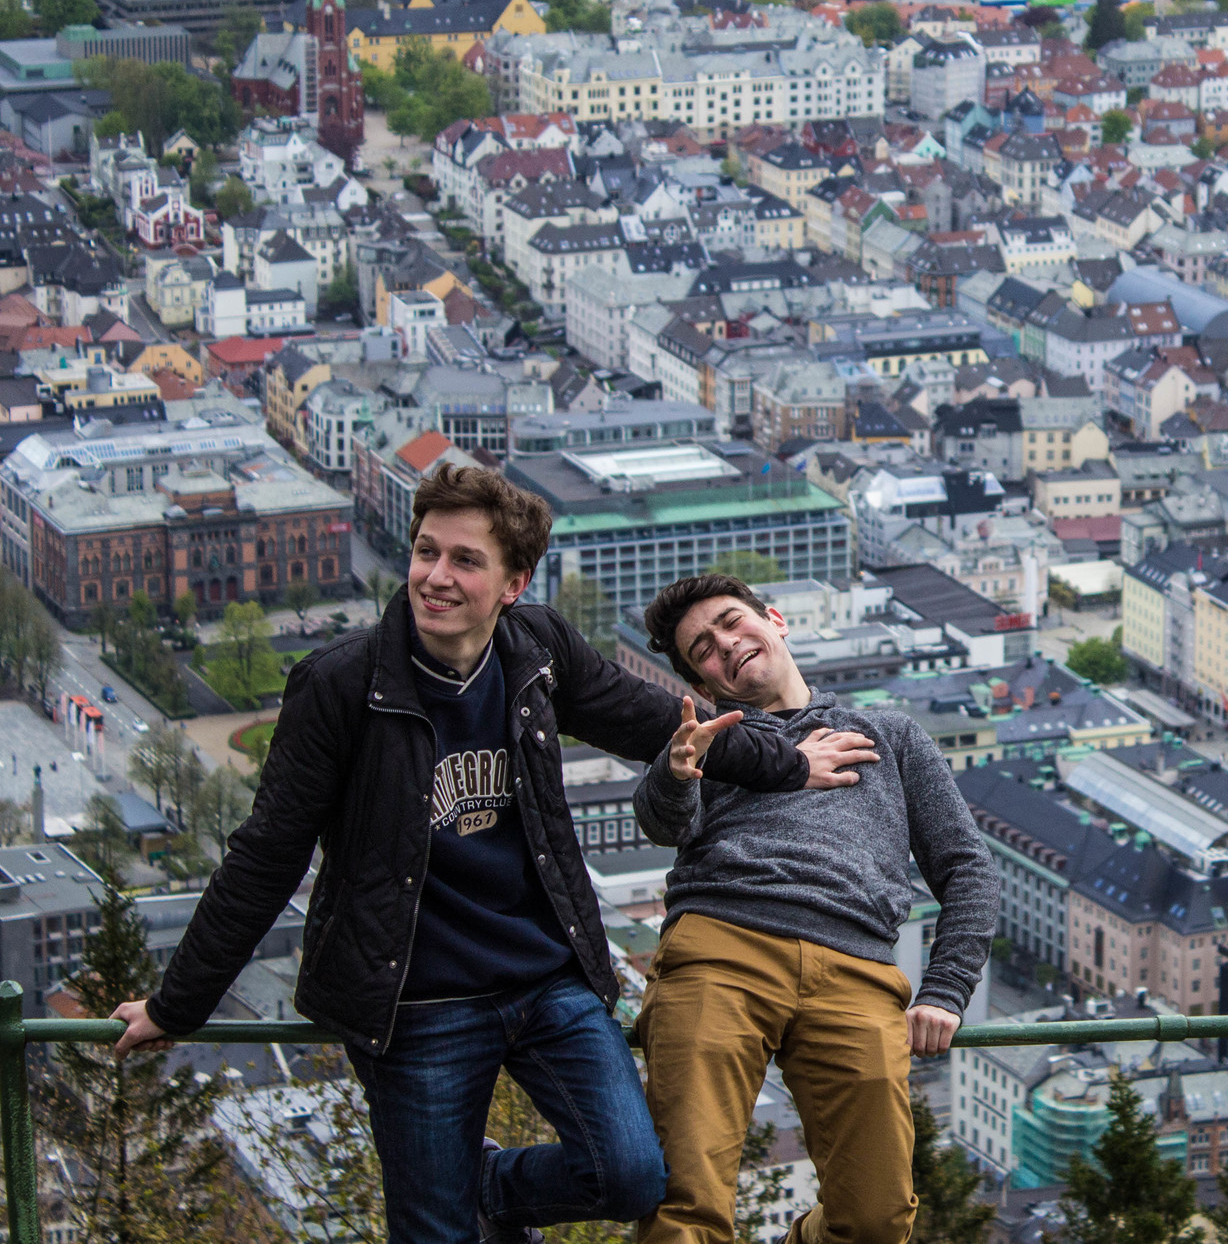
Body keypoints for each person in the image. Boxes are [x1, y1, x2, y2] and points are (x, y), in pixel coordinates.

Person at [109, 466, 879, 1244]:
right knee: (434, 1234)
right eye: (424, 551)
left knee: (631, 1173)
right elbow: (265, 855)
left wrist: (788, 762)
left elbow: (664, 724)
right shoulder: (340, 686)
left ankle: (481, 1185)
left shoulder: (536, 650)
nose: (434, 577)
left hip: (544, 977)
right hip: (414, 1000)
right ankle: (449, 1193)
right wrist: (179, 1004)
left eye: (464, 560)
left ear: (514, 582)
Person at [633, 572, 997, 1244]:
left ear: (775, 619)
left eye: (731, 622)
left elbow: (968, 866)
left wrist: (946, 988)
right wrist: (676, 767)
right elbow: (662, 821)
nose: (725, 645)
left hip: (854, 969)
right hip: (722, 949)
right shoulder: (713, 743)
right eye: (703, 650)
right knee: (687, 1204)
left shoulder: (889, 733)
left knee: (877, 1219)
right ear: (704, 683)